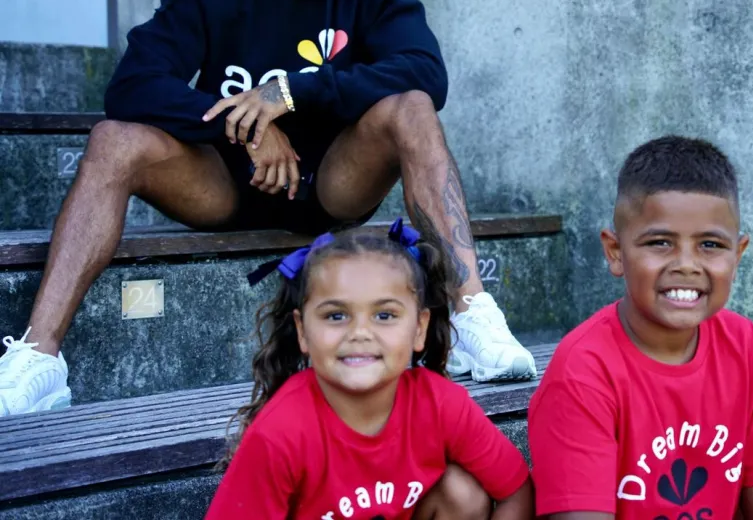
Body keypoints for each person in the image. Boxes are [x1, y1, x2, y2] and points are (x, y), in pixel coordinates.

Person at [0, 0, 535, 416]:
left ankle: (471, 312)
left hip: (334, 183)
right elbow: (132, 84)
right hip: (225, 183)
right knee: (113, 139)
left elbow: (427, 73)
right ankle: (40, 358)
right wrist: (249, 126)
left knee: (412, 108)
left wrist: (288, 94)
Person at [527, 136, 753, 519]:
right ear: (615, 252)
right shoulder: (583, 371)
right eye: (660, 242)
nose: (687, 265)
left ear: (738, 255)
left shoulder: (744, 345)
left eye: (710, 245)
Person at [205, 220, 533, 519]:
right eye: (336, 316)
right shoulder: (279, 432)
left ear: (419, 328)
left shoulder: (440, 403)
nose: (360, 332)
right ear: (303, 330)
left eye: (385, 315)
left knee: (462, 492)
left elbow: (516, 490)